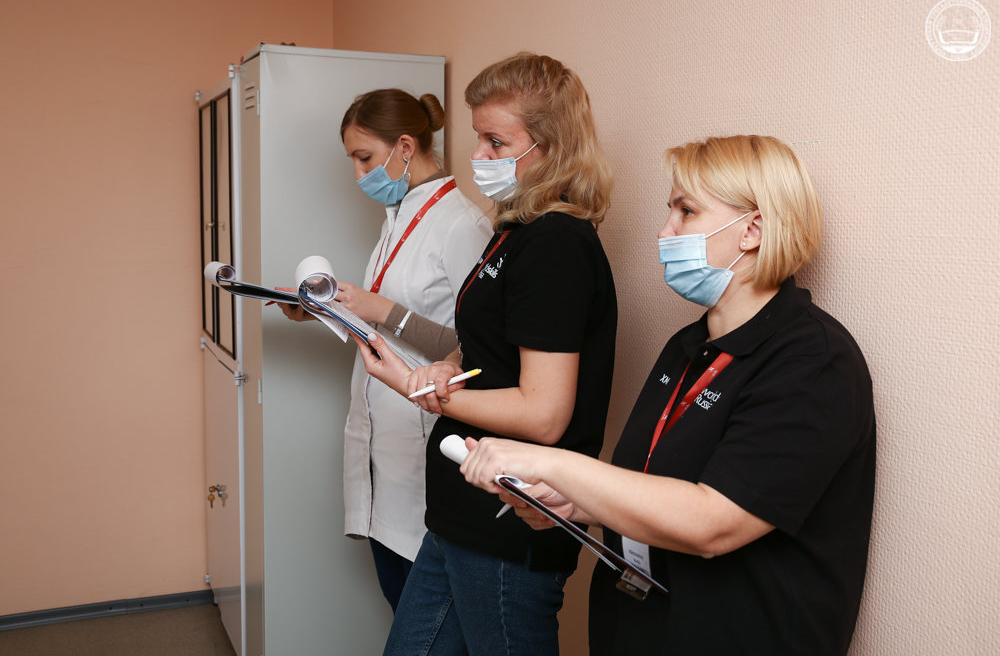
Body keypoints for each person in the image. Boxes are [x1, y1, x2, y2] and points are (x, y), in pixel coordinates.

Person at [455, 135, 877, 654]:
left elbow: (712, 522)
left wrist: (552, 464)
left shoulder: (813, 361)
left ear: (752, 229)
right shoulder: (689, 346)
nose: (664, 231)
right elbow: (655, 485)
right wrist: (574, 503)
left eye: (686, 211)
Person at [353, 53, 617, 655]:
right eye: (479, 137)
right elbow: (492, 348)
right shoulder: (516, 230)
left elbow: (544, 413)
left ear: (552, 147)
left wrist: (420, 388)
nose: (479, 156)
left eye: (497, 143)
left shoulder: (557, 244)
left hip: (509, 517)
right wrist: (452, 365)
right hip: (460, 510)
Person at [278, 88, 492, 612]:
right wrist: (324, 309)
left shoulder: (463, 225)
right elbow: (387, 329)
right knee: (401, 606)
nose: (357, 174)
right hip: (383, 444)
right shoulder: (396, 217)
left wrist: (382, 309)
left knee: (426, 623)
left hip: (424, 442)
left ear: (405, 147)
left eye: (364, 158)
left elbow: (479, 346)